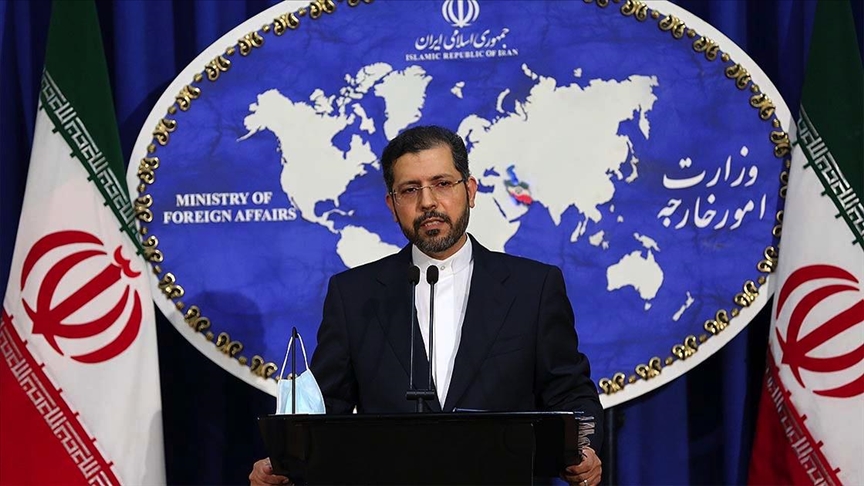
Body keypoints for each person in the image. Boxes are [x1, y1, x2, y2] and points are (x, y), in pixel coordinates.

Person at [250, 126, 603, 486]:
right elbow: (325, 408)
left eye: (443, 183)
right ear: (392, 205)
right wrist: (286, 463)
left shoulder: (533, 288)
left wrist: (584, 450)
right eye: (410, 190)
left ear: (470, 191)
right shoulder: (354, 295)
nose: (428, 202)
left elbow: (569, 391)